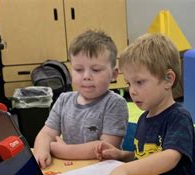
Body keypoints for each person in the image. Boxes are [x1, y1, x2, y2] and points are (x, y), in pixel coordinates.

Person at [95, 33, 195, 175]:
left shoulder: (178, 117)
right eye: (129, 83)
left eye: (140, 82)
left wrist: (126, 170)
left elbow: (169, 157)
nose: (132, 91)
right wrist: (122, 155)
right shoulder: (145, 117)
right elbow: (145, 156)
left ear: (168, 79)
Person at [33, 30, 128, 168]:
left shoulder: (115, 104)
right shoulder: (64, 100)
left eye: (95, 70)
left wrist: (64, 151)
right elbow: (46, 133)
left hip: (100, 173)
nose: (86, 76)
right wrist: (41, 150)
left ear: (114, 74)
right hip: (68, 170)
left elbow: (105, 149)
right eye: (78, 69)